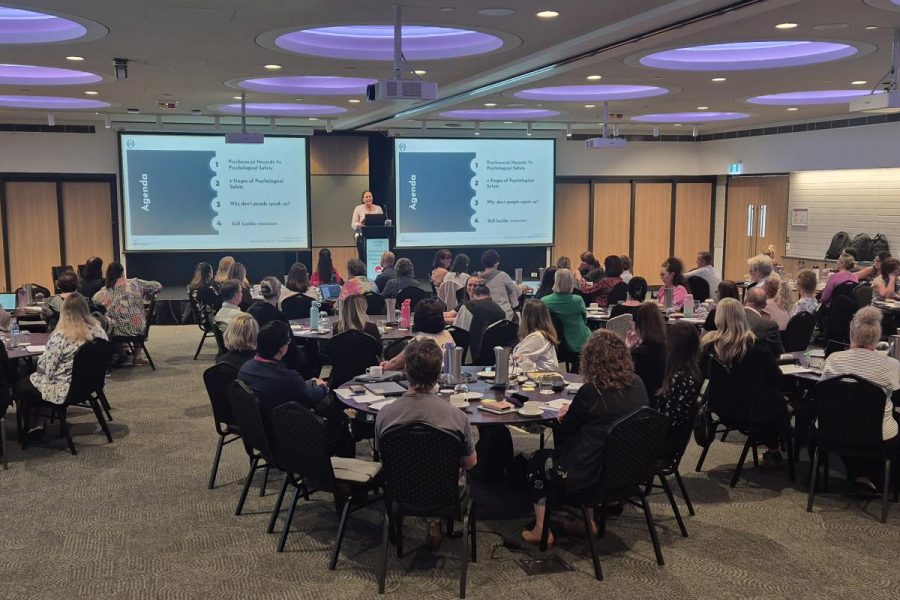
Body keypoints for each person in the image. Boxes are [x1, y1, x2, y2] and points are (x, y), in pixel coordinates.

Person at [521, 330, 649, 544]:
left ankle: (541, 530)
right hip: (628, 470)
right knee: (590, 447)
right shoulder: (637, 384)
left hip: (590, 476)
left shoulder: (591, 392)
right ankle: (586, 521)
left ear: (590, 361)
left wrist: (565, 414)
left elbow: (565, 429)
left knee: (537, 461)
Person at [375, 339, 477, 549]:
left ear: (406, 370)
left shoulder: (385, 414)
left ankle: (431, 523)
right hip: (447, 493)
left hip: (399, 489)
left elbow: (380, 453)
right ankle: (436, 522)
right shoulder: (456, 417)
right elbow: (470, 463)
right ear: (439, 373)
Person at [238, 321, 352, 457]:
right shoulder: (287, 377)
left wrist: (309, 383)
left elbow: (298, 388)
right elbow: (309, 395)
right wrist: (322, 386)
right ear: (282, 348)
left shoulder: (245, 369)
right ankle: (331, 473)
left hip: (260, 434)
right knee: (342, 427)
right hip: (288, 437)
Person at [820, 307, 900, 490]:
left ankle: (858, 473)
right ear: (878, 337)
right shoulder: (892, 365)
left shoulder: (833, 360)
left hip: (833, 429)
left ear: (851, 333)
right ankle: (884, 481)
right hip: (877, 435)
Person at [701, 297, 787, 463]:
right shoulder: (755, 344)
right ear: (742, 316)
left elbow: (704, 376)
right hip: (753, 411)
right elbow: (776, 377)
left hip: (721, 408)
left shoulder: (708, 346)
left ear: (718, 318)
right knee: (779, 402)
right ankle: (775, 449)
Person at [15, 294, 108, 433]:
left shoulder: (61, 335)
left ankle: (32, 425)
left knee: (22, 384)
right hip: (90, 385)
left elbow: (46, 369)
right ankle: (40, 421)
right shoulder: (99, 330)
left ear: (64, 311)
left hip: (65, 389)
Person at [381, 298, 455, 372]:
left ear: (417, 319)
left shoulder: (419, 341)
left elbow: (395, 364)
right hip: (447, 374)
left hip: (427, 379)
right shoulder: (447, 334)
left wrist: (384, 366)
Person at [92, 263, 161, 338]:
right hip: (138, 328)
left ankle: (121, 348)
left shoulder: (103, 292)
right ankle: (137, 350)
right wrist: (147, 293)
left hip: (115, 332)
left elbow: (93, 301)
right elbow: (158, 285)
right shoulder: (136, 283)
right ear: (122, 272)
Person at [657, 321, 702, 432]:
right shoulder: (694, 370)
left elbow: (669, 420)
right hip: (674, 433)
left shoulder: (681, 378)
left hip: (665, 438)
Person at [541, 269, 590, 354]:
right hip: (578, 343)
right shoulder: (578, 300)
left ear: (555, 281)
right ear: (571, 282)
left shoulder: (544, 301)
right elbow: (585, 320)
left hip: (553, 343)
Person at [452, 284, 506, 360]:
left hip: (472, 355)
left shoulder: (469, 307)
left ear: (473, 296)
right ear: (489, 295)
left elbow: (459, 331)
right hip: (495, 356)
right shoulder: (500, 311)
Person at [626, 302, 667, 402]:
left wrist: (627, 349)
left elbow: (625, 380)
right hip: (660, 401)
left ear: (639, 326)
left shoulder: (640, 354)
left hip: (643, 404)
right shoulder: (666, 347)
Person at [512, 300, 559, 372]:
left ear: (526, 317)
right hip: (541, 376)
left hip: (541, 378)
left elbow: (516, 360)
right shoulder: (541, 334)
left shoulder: (538, 337)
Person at [743, 287, 784, 358]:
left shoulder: (731, 319)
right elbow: (779, 355)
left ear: (745, 300)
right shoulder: (769, 326)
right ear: (765, 304)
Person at [481, 249, 519, 318]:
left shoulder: (477, 278)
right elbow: (513, 291)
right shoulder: (503, 275)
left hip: (484, 316)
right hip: (504, 316)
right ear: (496, 262)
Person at [351, 189, 384, 257]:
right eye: (366, 197)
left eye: (370, 196)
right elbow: (353, 224)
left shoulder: (378, 208)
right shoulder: (358, 208)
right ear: (363, 199)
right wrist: (360, 224)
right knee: (363, 257)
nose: (369, 198)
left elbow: (382, 223)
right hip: (362, 237)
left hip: (376, 238)